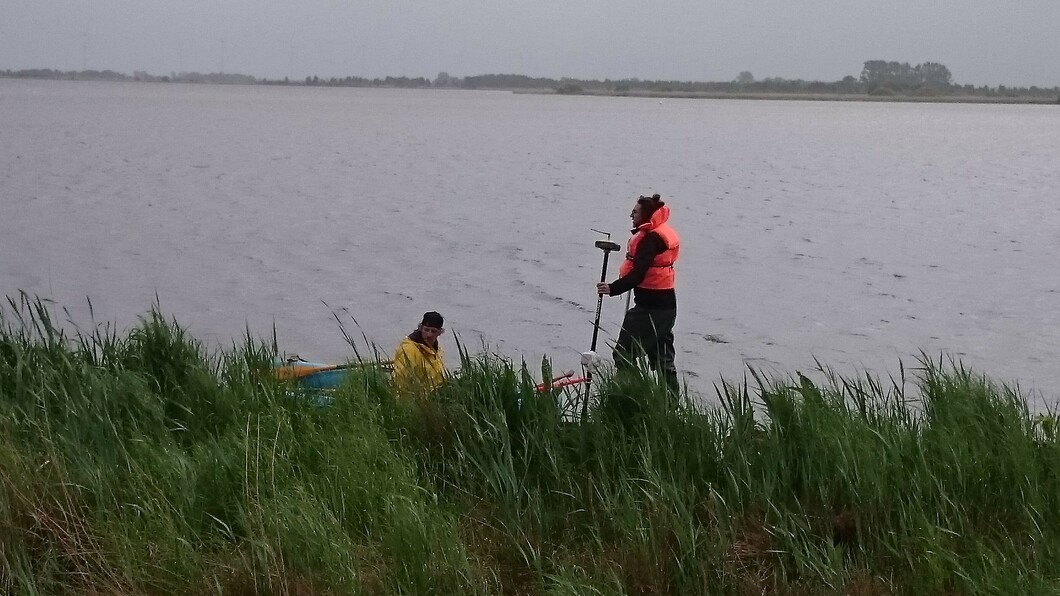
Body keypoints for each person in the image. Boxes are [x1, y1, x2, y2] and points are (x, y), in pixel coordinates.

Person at [597, 193, 680, 394]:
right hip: (666, 308)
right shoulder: (656, 234)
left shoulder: (651, 240)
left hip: (650, 309)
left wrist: (612, 288)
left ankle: (628, 394)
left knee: (623, 354)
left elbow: (638, 275)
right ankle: (671, 404)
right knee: (662, 358)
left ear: (646, 215)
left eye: (635, 212)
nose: (630, 215)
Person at [392, 311, 446, 397]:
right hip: (415, 399)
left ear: (439, 333)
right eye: (426, 329)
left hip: (432, 397)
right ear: (421, 328)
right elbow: (400, 380)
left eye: (433, 331)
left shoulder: (436, 349)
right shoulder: (408, 349)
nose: (429, 334)